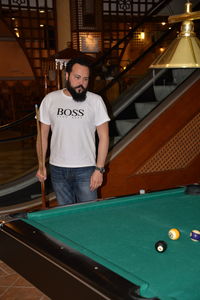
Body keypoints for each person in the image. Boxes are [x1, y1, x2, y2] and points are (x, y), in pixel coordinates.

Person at [36, 56, 110, 206]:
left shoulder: (95, 101)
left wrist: (99, 169)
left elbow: (104, 137)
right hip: (57, 169)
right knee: (65, 214)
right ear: (67, 75)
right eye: (77, 77)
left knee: (89, 213)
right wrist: (41, 165)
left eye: (85, 79)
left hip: (86, 169)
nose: (81, 83)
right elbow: (42, 136)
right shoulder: (50, 99)